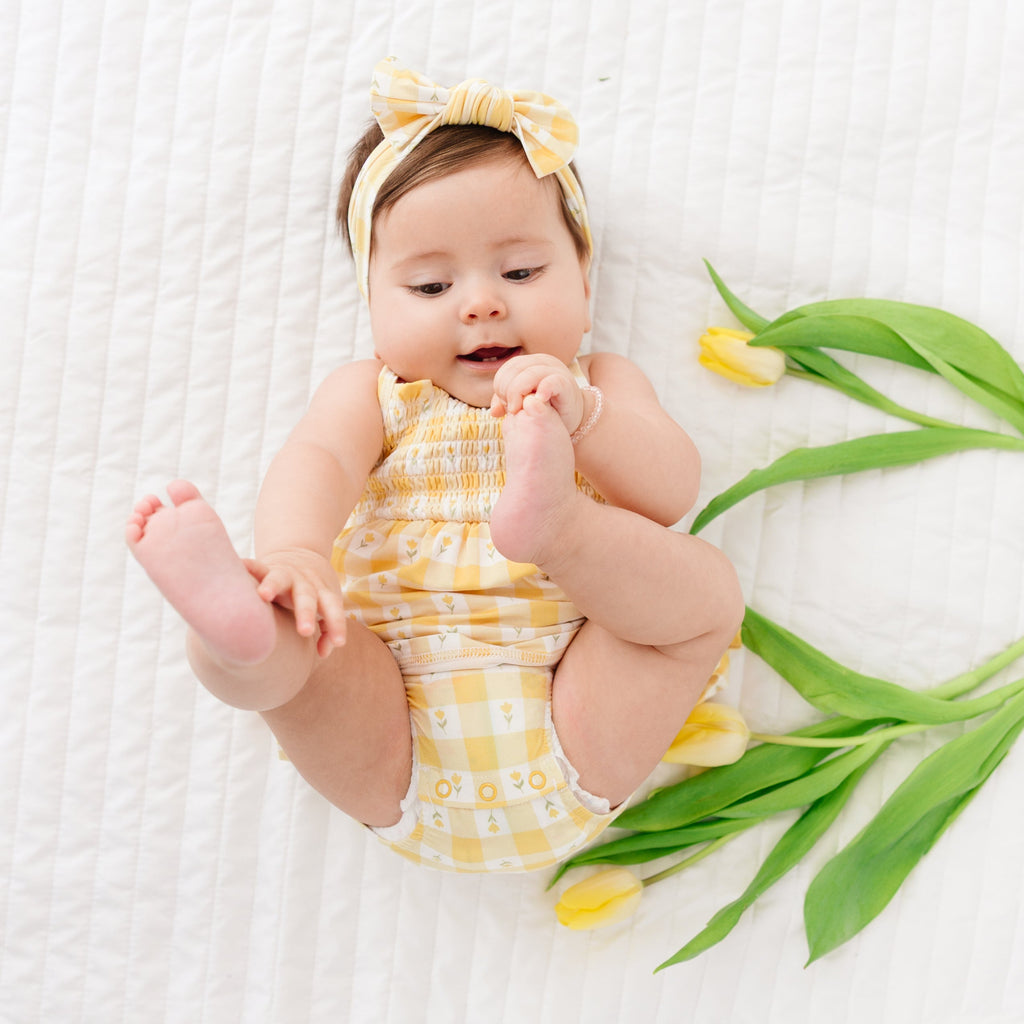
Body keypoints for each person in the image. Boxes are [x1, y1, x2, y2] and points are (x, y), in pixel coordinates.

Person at [125, 58, 744, 873]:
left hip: (575, 711)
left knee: (702, 595)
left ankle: (556, 526)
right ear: (373, 303)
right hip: (396, 718)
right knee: (302, 655)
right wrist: (299, 554)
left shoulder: (602, 388)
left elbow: (669, 492)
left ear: (586, 281)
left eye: (522, 272)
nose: (481, 302)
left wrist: (583, 417)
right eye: (429, 284)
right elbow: (315, 461)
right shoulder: (373, 395)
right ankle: (239, 636)